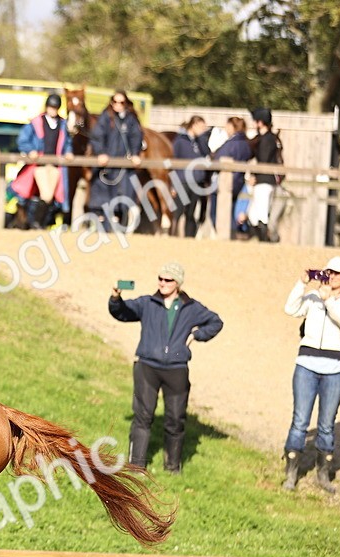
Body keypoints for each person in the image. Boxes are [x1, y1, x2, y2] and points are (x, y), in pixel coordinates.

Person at [108, 263, 224, 473]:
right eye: (160, 278)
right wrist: (116, 298)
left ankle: (172, 467)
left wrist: (196, 335)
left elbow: (216, 322)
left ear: (178, 283)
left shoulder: (192, 308)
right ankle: (136, 466)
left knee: (175, 419)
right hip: (147, 368)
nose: (162, 283)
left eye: (168, 280)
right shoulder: (147, 303)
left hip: (176, 369)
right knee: (142, 417)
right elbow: (122, 313)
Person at [281, 256, 340, 493]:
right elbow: (290, 308)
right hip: (306, 364)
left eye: (338, 273)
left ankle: (323, 474)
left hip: (335, 369)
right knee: (300, 421)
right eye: (330, 272)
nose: (333, 276)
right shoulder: (314, 296)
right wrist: (301, 283)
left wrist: (329, 302)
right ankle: (291, 474)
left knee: (326, 424)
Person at [12, 93, 73, 230]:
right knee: (45, 194)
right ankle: (36, 223)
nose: (53, 110)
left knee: (51, 197)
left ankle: (38, 222)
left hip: (56, 165)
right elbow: (23, 140)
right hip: (38, 164)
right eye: (51, 107)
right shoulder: (35, 123)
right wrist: (31, 150)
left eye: (55, 107)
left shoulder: (63, 124)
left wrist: (68, 152)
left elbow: (67, 142)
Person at [89, 90, 144, 232]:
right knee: (103, 197)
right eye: (115, 102)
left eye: (121, 102)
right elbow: (97, 137)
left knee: (125, 197)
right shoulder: (106, 117)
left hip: (124, 166)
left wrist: (135, 153)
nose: (118, 105)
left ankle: (122, 227)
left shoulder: (131, 119)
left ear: (126, 103)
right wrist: (100, 153)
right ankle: (104, 228)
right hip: (107, 167)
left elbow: (136, 137)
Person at [208, 117, 252, 233]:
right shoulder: (245, 144)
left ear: (233, 127)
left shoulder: (231, 144)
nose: (225, 129)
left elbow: (219, 159)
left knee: (214, 213)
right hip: (238, 182)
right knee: (230, 212)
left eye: (227, 126)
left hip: (224, 183)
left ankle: (224, 237)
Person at [171, 115, 211, 238]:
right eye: (201, 126)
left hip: (196, 181)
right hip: (182, 181)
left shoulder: (200, 142)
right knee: (178, 212)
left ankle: (190, 238)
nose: (203, 129)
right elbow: (173, 162)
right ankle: (172, 235)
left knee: (191, 212)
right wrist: (173, 184)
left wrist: (202, 140)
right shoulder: (180, 141)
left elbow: (206, 153)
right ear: (193, 125)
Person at [248, 107, 281, 242]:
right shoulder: (264, 138)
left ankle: (265, 242)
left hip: (265, 180)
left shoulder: (267, 140)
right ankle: (260, 241)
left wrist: (254, 175)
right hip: (263, 179)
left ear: (260, 122)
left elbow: (264, 160)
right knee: (253, 215)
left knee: (261, 214)